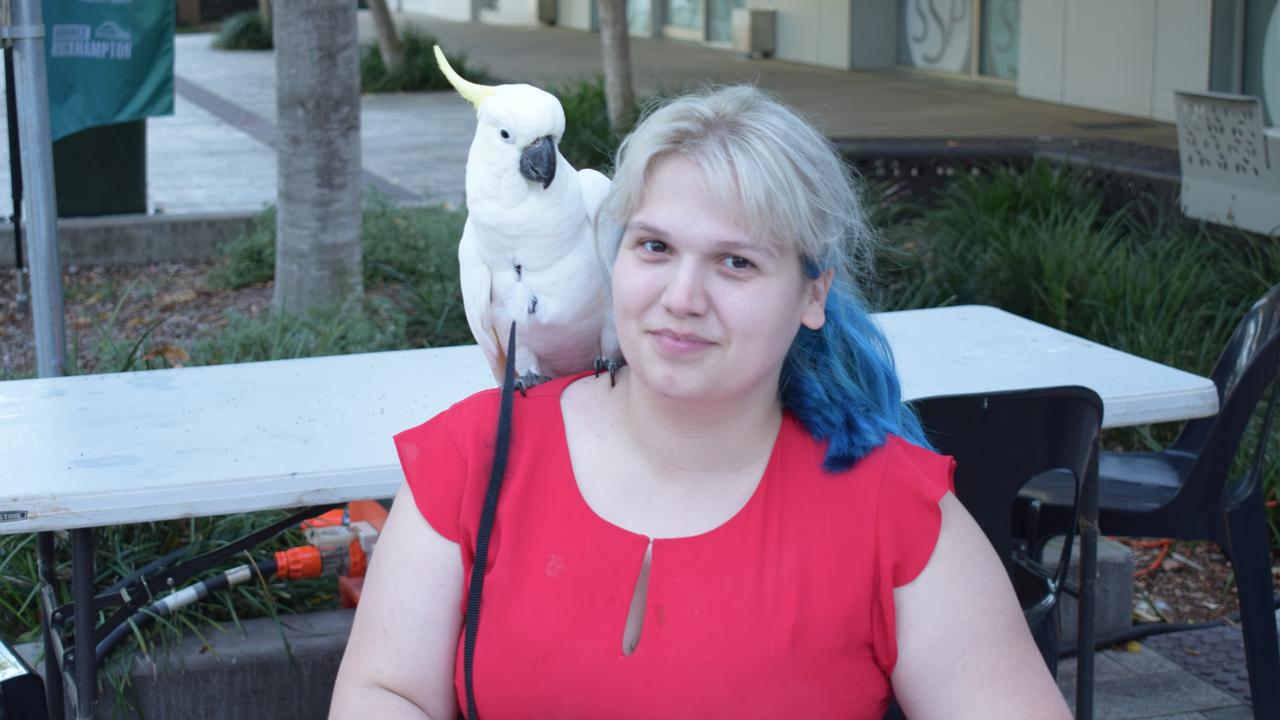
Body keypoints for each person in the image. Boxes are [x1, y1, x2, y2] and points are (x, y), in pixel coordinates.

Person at [330, 86, 1072, 720]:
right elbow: (387, 690)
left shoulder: (894, 511)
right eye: (654, 247)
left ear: (814, 293)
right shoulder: (473, 459)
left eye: (735, 261)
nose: (681, 299)